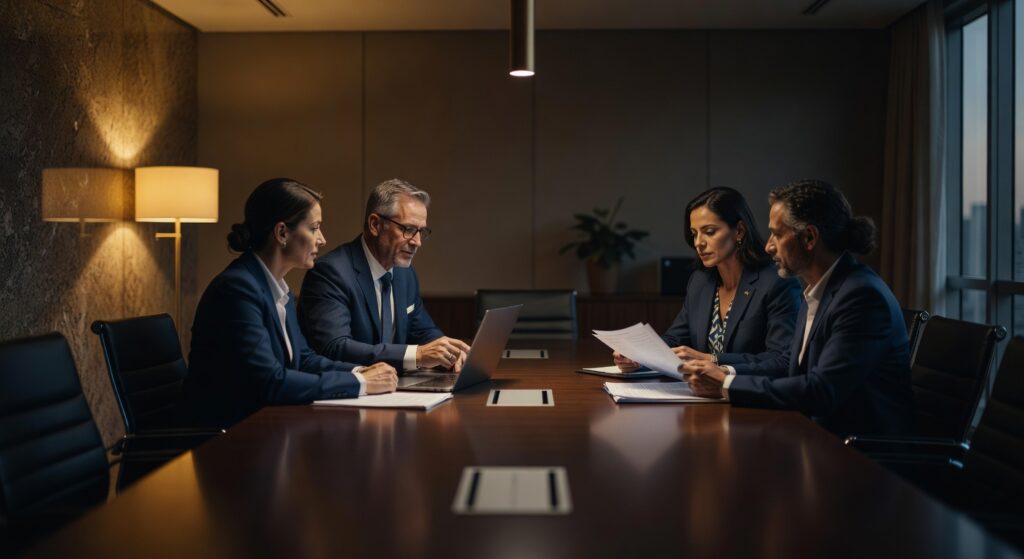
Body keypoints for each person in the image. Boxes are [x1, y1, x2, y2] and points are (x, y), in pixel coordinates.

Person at [683, 179, 915, 438]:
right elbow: (792, 373)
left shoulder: (861, 297)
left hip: (859, 457)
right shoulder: (818, 290)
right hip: (814, 438)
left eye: (778, 234)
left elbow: (820, 391)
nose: (769, 245)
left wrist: (725, 383)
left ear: (809, 237)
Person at [183, 178, 398, 429]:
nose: (322, 239)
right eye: (315, 228)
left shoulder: (274, 288)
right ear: (282, 233)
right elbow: (269, 382)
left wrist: (361, 370)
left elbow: (303, 359)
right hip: (224, 441)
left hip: (263, 428)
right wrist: (361, 384)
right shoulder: (237, 290)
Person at [614, 186, 800, 376]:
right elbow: (675, 339)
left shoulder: (776, 282)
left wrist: (712, 360)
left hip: (749, 397)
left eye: (709, 232)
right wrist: (638, 355)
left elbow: (782, 359)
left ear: (739, 231)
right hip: (699, 395)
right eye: (694, 234)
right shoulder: (700, 281)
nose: (698, 243)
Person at [298, 178, 470, 372]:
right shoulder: (330, 272)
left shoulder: (405, 274)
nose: (417, 242)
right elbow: (335, 346)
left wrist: (450, 353)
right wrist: (417, 355)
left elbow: (423, 331)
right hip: (345, 393)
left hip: (395, 388)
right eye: (409, 229)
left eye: (421, 231)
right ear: (375, 225)